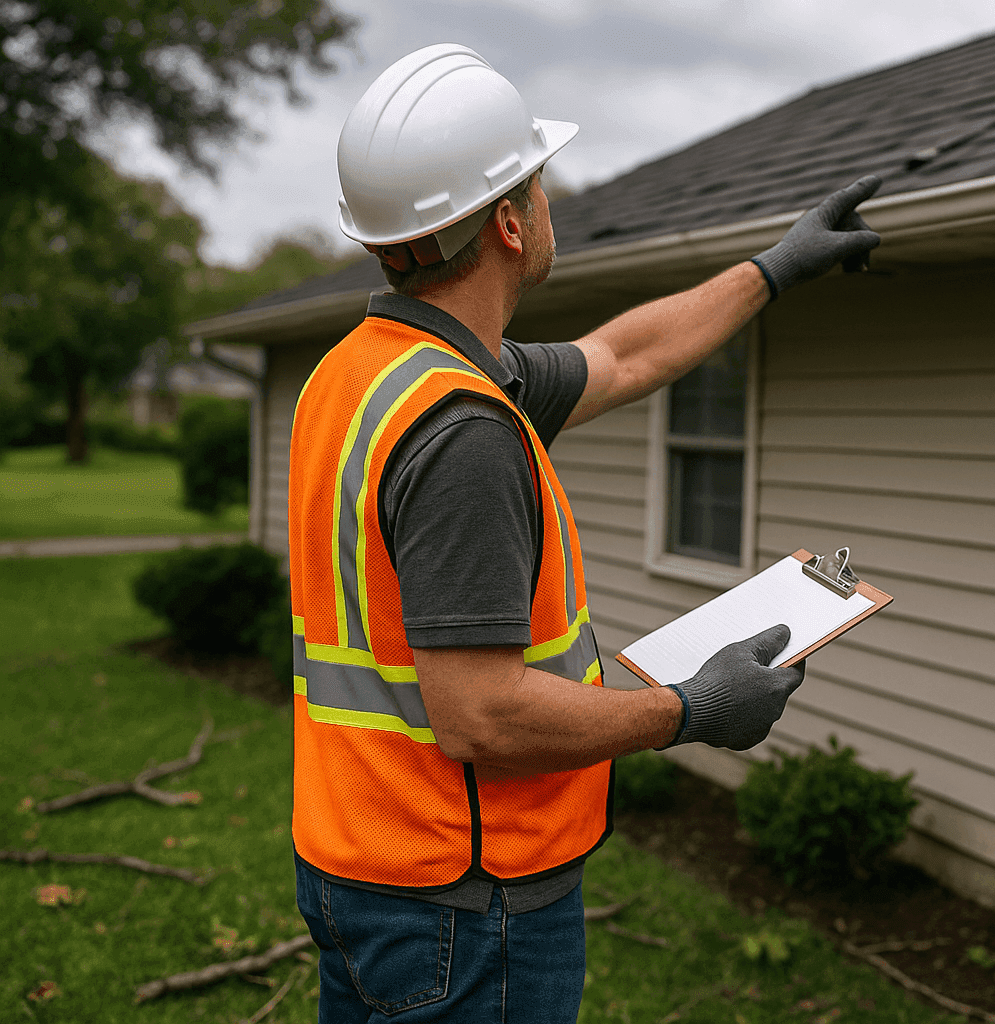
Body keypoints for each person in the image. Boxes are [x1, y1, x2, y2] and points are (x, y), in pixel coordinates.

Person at [287, 43, 882, 1023]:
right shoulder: (464, 429)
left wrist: (772, 269)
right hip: (467, 913)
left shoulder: (367, 374)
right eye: (540, 183)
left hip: (367, 872)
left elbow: (624, 356)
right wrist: (690, 710)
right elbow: (479, 714)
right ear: (513, 224)